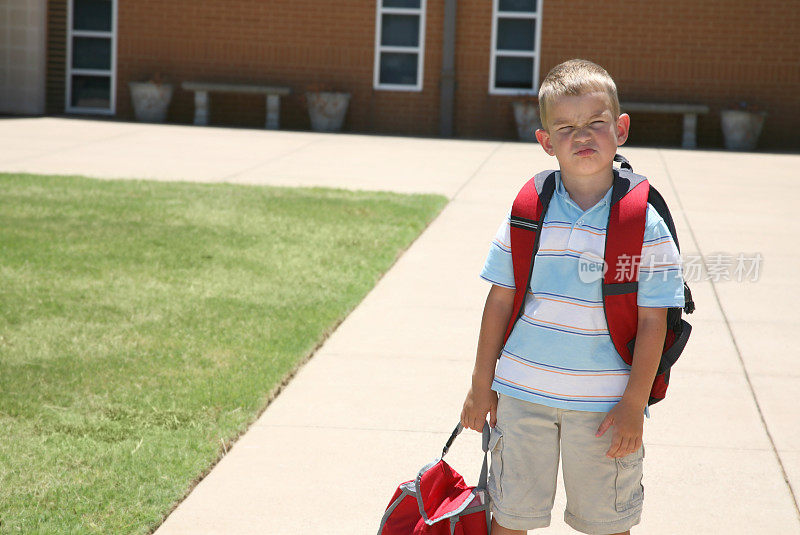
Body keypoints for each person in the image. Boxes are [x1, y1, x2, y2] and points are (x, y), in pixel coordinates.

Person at [460, 58, 685, 535]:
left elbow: (653, 322)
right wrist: (483, 385)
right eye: (565, 127)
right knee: (509, 519)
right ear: (545, 141)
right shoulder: (527, 211)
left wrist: (633, 404)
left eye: (596, 123)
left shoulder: (643, 223)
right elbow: (499, 302)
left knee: (607, 524)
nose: (582, 136)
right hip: (522, 397)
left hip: (606, 408)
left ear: (620, 128)